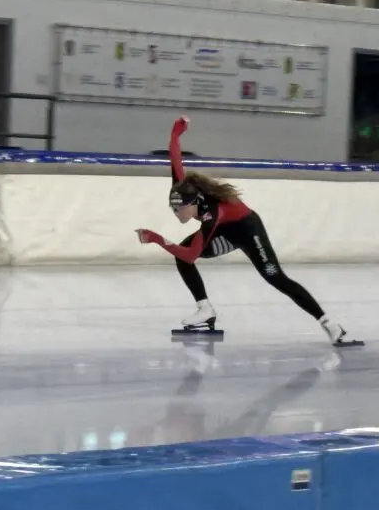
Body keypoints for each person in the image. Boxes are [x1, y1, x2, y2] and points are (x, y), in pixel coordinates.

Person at [136, 116, 358, 347]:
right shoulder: (182, 189)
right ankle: (205, 310)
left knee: (275, 276)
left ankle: (330, 324)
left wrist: (157, 239)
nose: (176, 213)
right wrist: (175, 134)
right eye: (173, 209)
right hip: (224, 231)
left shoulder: (212, 213)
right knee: (181, 253)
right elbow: (175, 159)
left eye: (179, 209)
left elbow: (192, 254)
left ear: (193, 203)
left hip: (247, 230)